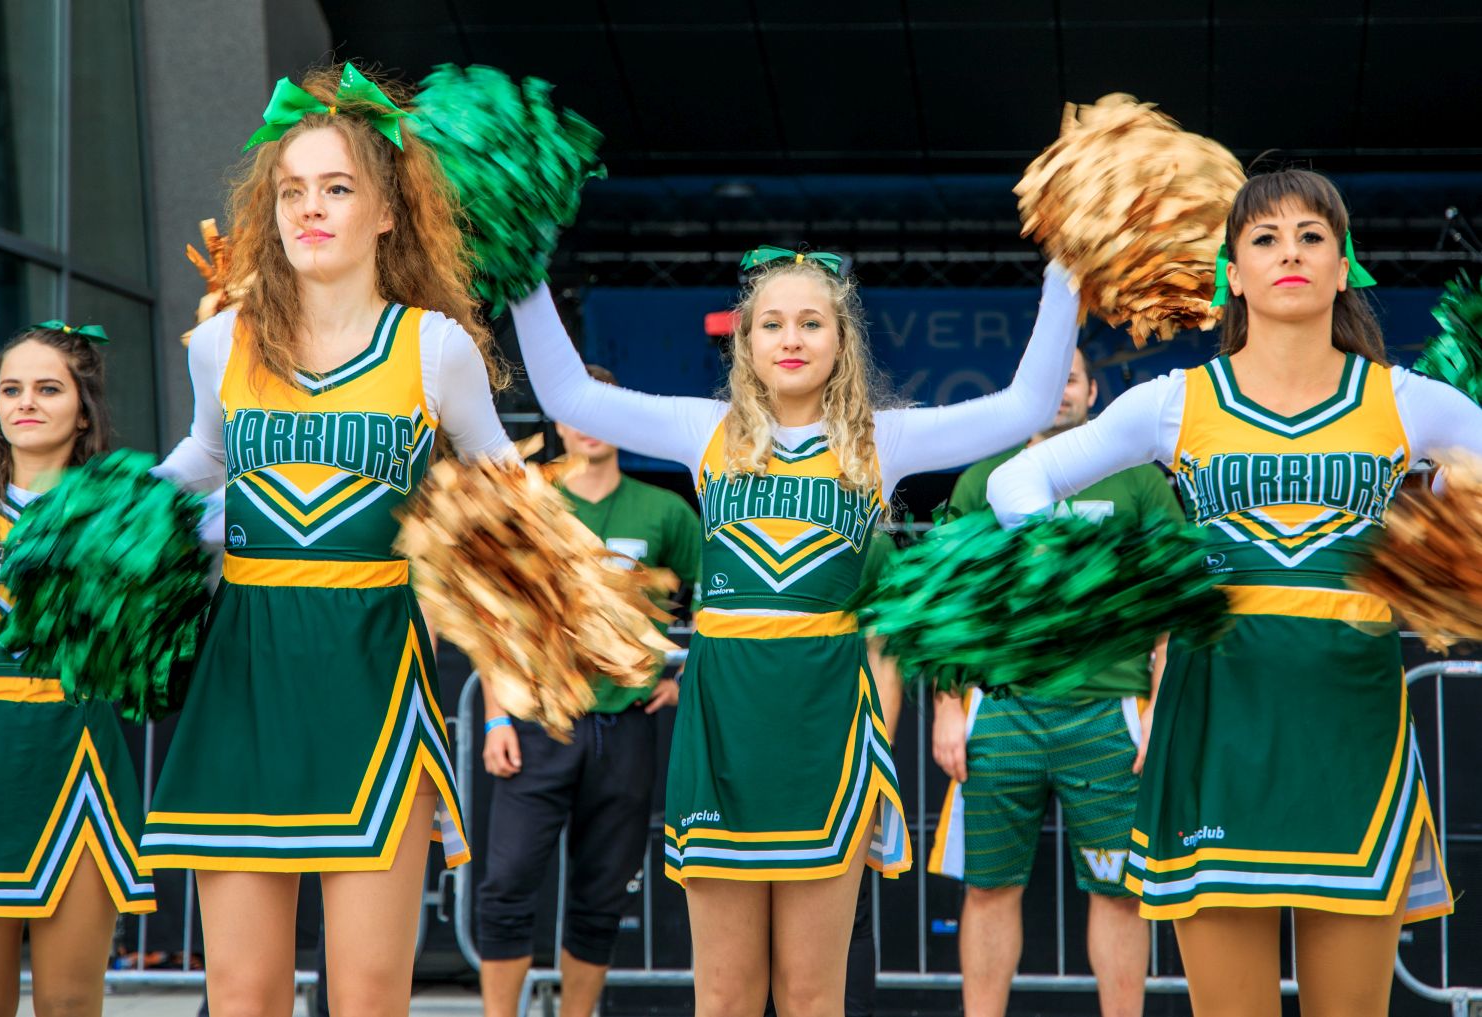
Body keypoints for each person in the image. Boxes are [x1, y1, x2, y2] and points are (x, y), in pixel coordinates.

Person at [509, 246, 1080, 1017]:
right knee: (725, 997)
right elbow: (567, 391)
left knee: (812, 994)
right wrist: (524, 268)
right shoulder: (704, 430)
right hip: (723, 728)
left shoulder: (880, 440)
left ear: (842, 341)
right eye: (772, 323)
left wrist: (1066, 271)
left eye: (812, 323)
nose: (791, 338)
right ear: (745, 341)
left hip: (825, 729)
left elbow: (1025, 406)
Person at [988, 167, 1482, 1017]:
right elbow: (1016, 483)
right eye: (1265, 238)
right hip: (1215, 722)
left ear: (1344, 268)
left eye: (1312, 237)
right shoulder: (1175, 402)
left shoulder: (1409, 401)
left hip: (1350, 729)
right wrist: (1107, 579)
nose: (1290, 253)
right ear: (1233, 275)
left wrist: (1444, 513)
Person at [148, 63, 516, 1017]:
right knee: (243, 994)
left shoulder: (434, 348)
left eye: (337, 188)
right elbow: (203, 456)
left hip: (374, 675)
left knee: (367, 996)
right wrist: (103, 517)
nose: (310, 208)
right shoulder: (221, 343)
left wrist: (535, 613)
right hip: (245, 674)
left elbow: (506, 497)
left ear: (387, 212)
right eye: (292, 191)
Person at [927, 348, 1174, 1017]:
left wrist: (1160, 705)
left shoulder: (1138, 480)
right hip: (1002, 711)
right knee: (987, 888)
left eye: (1073, 378)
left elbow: (1172, 600)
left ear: (1093, 392)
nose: (1061, 390)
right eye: (1050, 379)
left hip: (1108, 712)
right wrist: (947, 705)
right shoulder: (983, 479)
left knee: (1119, 892)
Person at [476, 364, 702, 1017]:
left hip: (624, 726)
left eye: (603, 410)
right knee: (506, 885)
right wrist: (495, 718)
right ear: (558, 419)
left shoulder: (665, 510)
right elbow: (493, 618)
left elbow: (721, 598)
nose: (589, 425)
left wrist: (685, 677)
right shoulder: (528, 502)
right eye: (577, 410)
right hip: (537, 722)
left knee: (601, 896)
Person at [0, 324, 155, 1017]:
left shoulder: (124, 508)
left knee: (69, 1001)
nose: (26, 403)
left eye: (48, 389)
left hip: (78, 759)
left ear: (83, 408)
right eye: (11, 389)